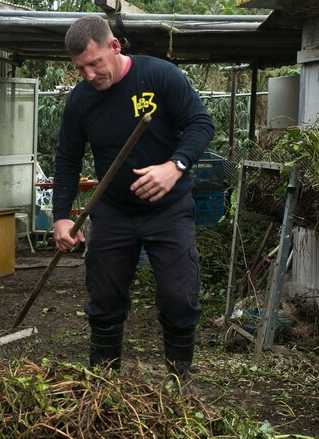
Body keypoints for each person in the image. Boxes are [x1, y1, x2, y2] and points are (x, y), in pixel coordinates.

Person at [53, 16, 215, 381]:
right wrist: (61, 216)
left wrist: (175, 166)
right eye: (81, 69)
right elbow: (67, 159)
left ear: (115, 46)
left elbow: (201, 123)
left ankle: (179, 383)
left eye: (95, 63)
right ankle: (103, 383)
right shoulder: (81, 101)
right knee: (105, 300)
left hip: (169, 211)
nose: (90, 76)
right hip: (112, 213)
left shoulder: (159, 77)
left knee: (179, 297)